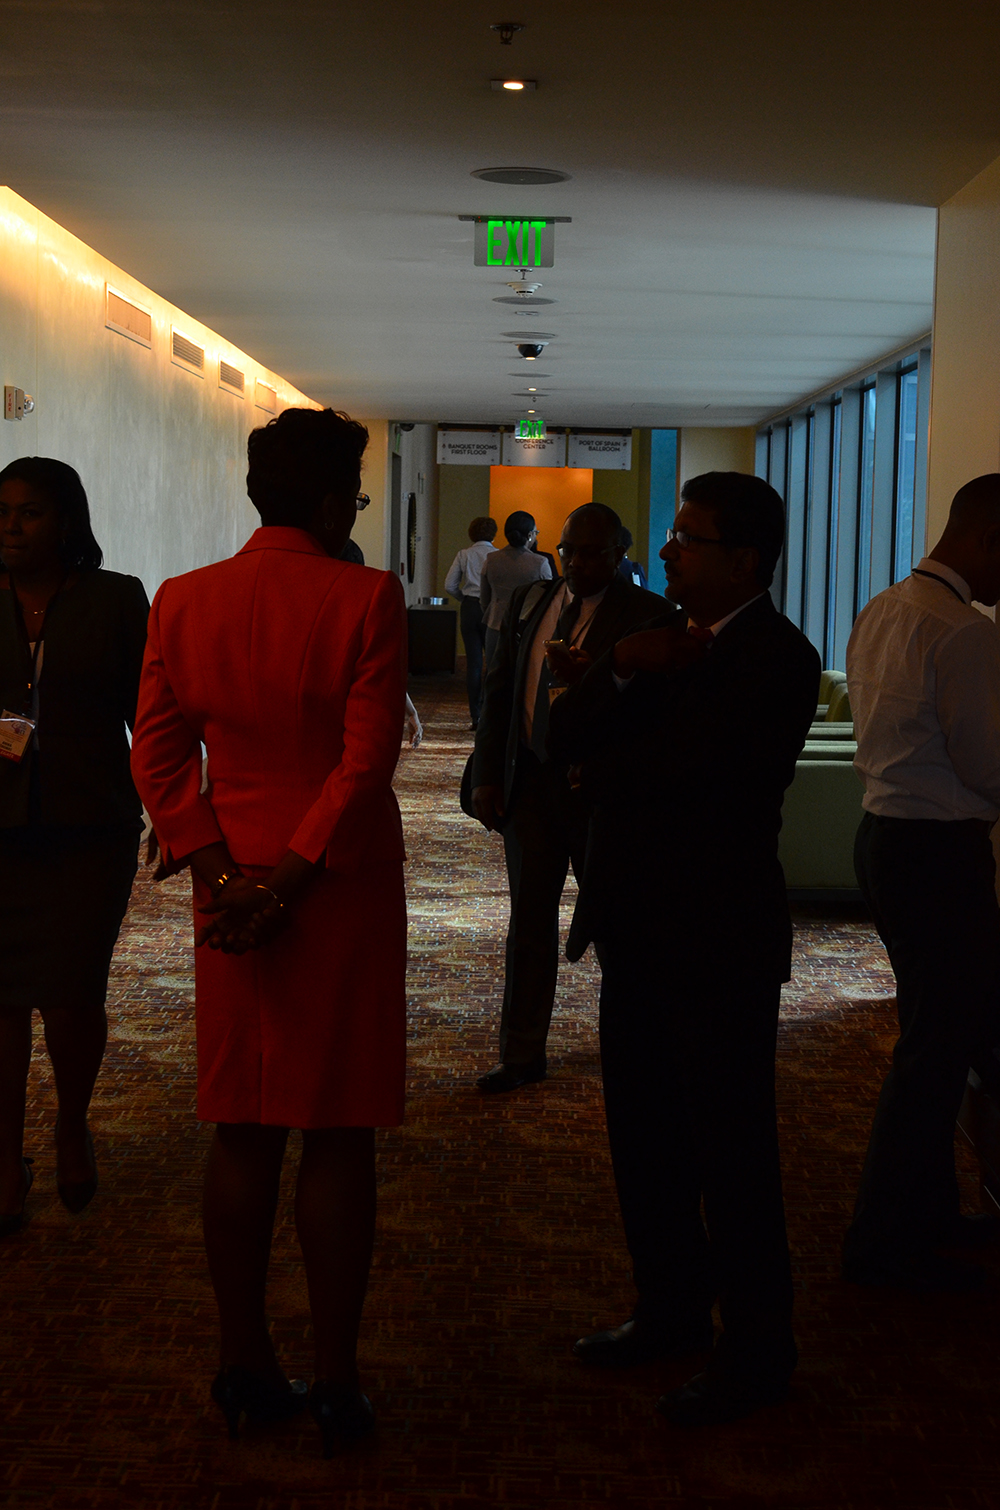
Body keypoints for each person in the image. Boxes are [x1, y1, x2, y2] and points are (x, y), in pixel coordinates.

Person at [130, 407, 408, 1458]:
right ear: (335, 503)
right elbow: (363, 762)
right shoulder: (364, 597)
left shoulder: (183, 598)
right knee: (337, 1127)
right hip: (331, 882)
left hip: (229, 885)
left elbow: (158, 757)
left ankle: (242, 1361)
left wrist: (222, 874)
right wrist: (288, 884)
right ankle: (335, 1378)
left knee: (242, 1124)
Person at [548, 473, 819, 1426]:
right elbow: (561, 737)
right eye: (670, 534)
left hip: (717, 939)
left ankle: (756, 1350)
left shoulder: (777, 656)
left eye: (686, 537)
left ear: (742, 559)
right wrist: (620, 667)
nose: (665, 550)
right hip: (635, 928)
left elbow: (694, 779)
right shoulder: (655, 639)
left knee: (731, 1152)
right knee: (646, 1138)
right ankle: (668, 1309)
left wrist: (604, 759)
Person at [842, 474, 1000, 1293]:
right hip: (940, 857)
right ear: (988, 540)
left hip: (885, 841)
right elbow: (986, 766)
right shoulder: (964, 632)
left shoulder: (883, 607)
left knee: (933, 1037)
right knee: (934, 1054)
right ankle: (884, 1243)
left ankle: (928, 1217)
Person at [0, 458, 148, 1236]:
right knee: (0, 999)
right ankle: (3, 1160)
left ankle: (70, 1122)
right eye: (2, 512)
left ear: (65, 520)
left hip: (89, 827)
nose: (11, 526)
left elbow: (149, 715)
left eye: (28, 512)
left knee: (70, 994)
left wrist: (176, 812)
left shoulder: (115, 599)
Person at [470, 503, 664, 1092]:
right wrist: (487, 773)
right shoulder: (533, 600)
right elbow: (500, 689)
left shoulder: (649, 615)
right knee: (529, 924)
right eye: (568, 550)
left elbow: (652, 717)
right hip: (530, 784)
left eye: (591, 553)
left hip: (600, 795)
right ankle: (521, 1053)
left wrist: (593, 680)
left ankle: (634, 1052)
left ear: (619, 553)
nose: (576, 563)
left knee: (615, 925)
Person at [480, 511, 551, 669]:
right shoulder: (540, 563)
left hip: (495, 625)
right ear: (530, 535)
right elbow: (548, 600)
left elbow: (484, 599)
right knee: (523, 673)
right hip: (527, 629)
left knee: (494, 673)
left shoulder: (491, 560)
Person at [444, 516, 497, 728]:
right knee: (491, 662)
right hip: (491, 607)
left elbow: (449, 585)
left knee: (473, 663)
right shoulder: (497, 556)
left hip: (470, 607)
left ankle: (475, 716)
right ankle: (489, 712)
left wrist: (464, 598)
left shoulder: (464, 555)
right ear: (493, 534)